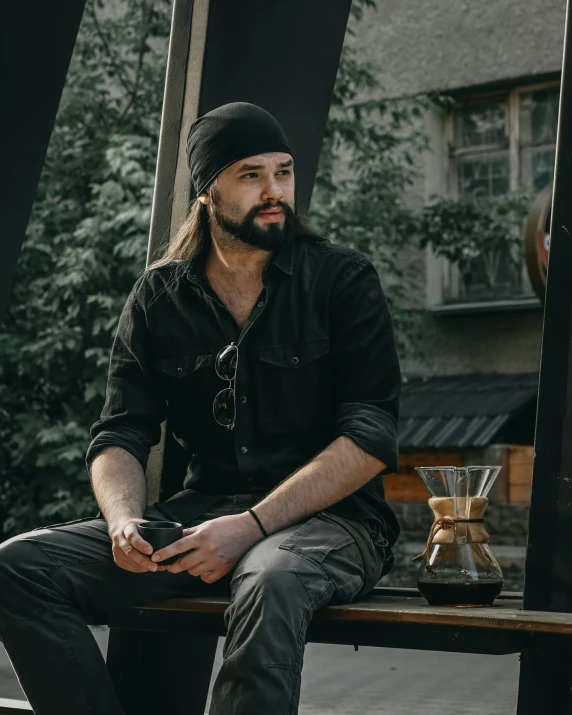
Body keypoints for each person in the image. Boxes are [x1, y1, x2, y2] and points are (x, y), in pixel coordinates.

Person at [0, 102, 401, 715]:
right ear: (208, 192)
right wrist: (123, 523)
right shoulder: (158, 297)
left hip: (334, 525)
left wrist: (253, 526)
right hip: (200, 519)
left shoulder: (342, 281)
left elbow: (371, 436)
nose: (275, 192)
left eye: (284, 172)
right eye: (251, 175)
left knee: (269, 578)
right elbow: (119, 433)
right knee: (17, 567)